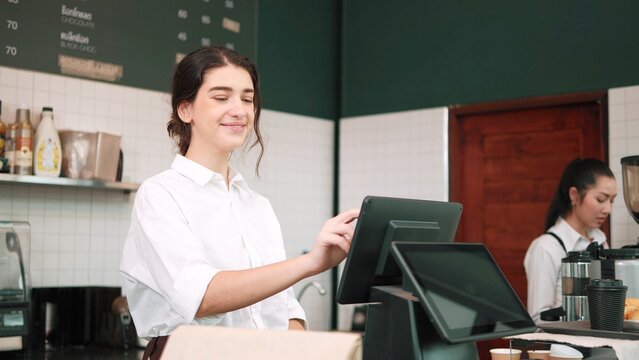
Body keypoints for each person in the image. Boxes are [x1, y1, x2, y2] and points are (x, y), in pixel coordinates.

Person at [119, 46, 359, 360]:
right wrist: (311, 263)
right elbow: (202, 296)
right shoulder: (159, 195)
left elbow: (285, 310)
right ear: (185, 110)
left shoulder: (258, 205)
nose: (240, 110)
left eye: (247, 99)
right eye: (221, 98)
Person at [524, 158, 616, 324]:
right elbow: (538, 319)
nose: (608, 209)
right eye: (601, 199)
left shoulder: (601, 241)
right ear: (574, 195)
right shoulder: (546, 247)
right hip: (565, 349)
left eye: (612, 201)